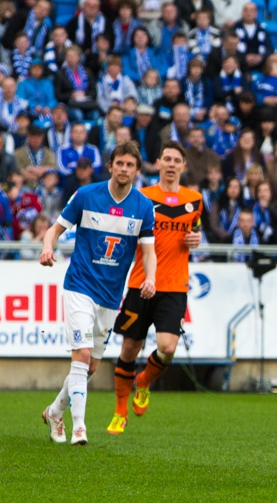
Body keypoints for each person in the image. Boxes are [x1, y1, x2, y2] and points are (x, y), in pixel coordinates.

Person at [39, 142, 156, 445]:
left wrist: (151, 278)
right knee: (83, 355)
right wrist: (48, 247)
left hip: (110, 296)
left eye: (130, 165)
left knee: (90, 367)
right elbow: (55, 229)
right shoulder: (87, 195)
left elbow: (148, 251)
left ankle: (54, 411)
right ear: (111, 165)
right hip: (80, 285)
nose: (124, 169)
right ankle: (79, 427)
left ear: (137, 170)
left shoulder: (143, 207)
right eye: (120, 163)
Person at [106, 141, 201, 434]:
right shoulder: (141, 197)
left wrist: (195, 242)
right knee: (130, 348)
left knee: (167, 348)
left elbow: (194, 233)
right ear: (158, 163)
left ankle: (144, 381)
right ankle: (120, 411)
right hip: (140, 283)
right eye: (167, 159)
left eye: (177, 160)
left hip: (174, 285)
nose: (172, 164)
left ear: (183, 167)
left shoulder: (194, 200)